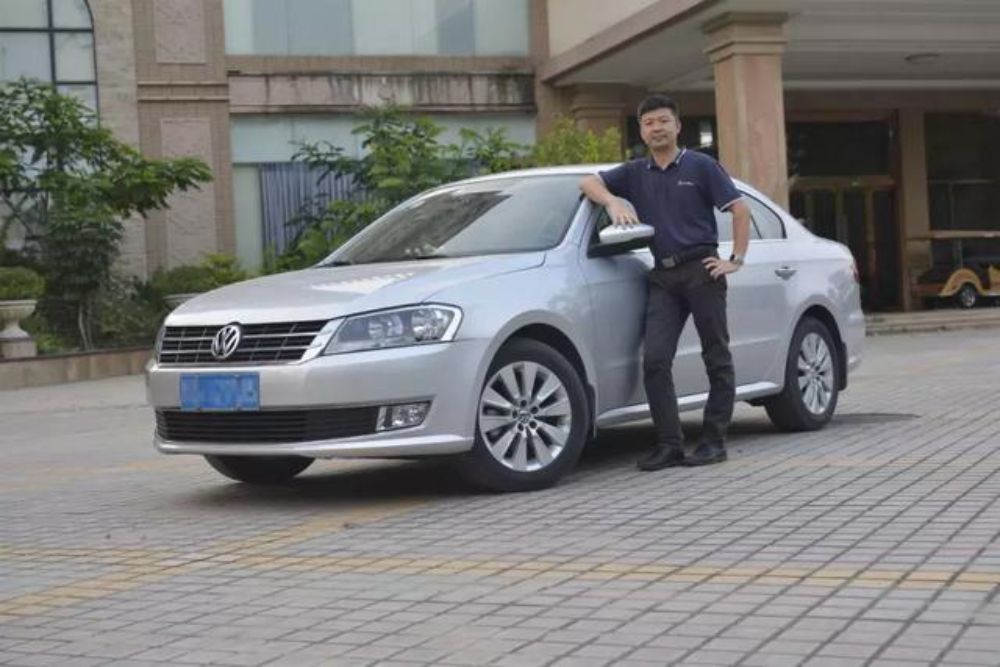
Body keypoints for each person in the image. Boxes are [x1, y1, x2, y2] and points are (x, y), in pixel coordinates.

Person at [580, 94, 751, 470]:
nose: (656, 128)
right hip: (662, 275)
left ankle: (713, 442)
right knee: (656, 360)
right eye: (648, 123)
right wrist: (612, 201)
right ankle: (669, 444)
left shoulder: (702, 166)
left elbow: (740, 210)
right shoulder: (634, 172)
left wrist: (735, 260)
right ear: (641, 131)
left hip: (702, 269)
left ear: (677, 126)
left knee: (716, 356)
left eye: (663, 121)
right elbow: (588, 182)